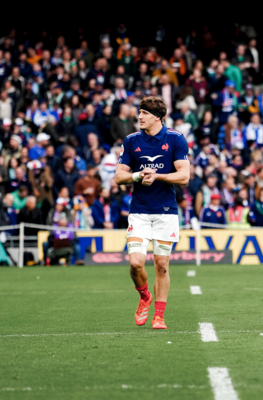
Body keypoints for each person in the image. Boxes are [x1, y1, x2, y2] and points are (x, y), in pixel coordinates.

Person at [114, 96, 189, 330]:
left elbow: (184, 177)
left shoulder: (176, 139)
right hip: (139, 211)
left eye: (144, 113)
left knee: (161, 265)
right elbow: (118, 177)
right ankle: (144, 296)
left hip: (166, 213)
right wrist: (137, 175)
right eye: (139, 112)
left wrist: (158, 176)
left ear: (157, 117)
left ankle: (159, 316)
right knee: (136, 263)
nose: (139, 117)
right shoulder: (131, 141)